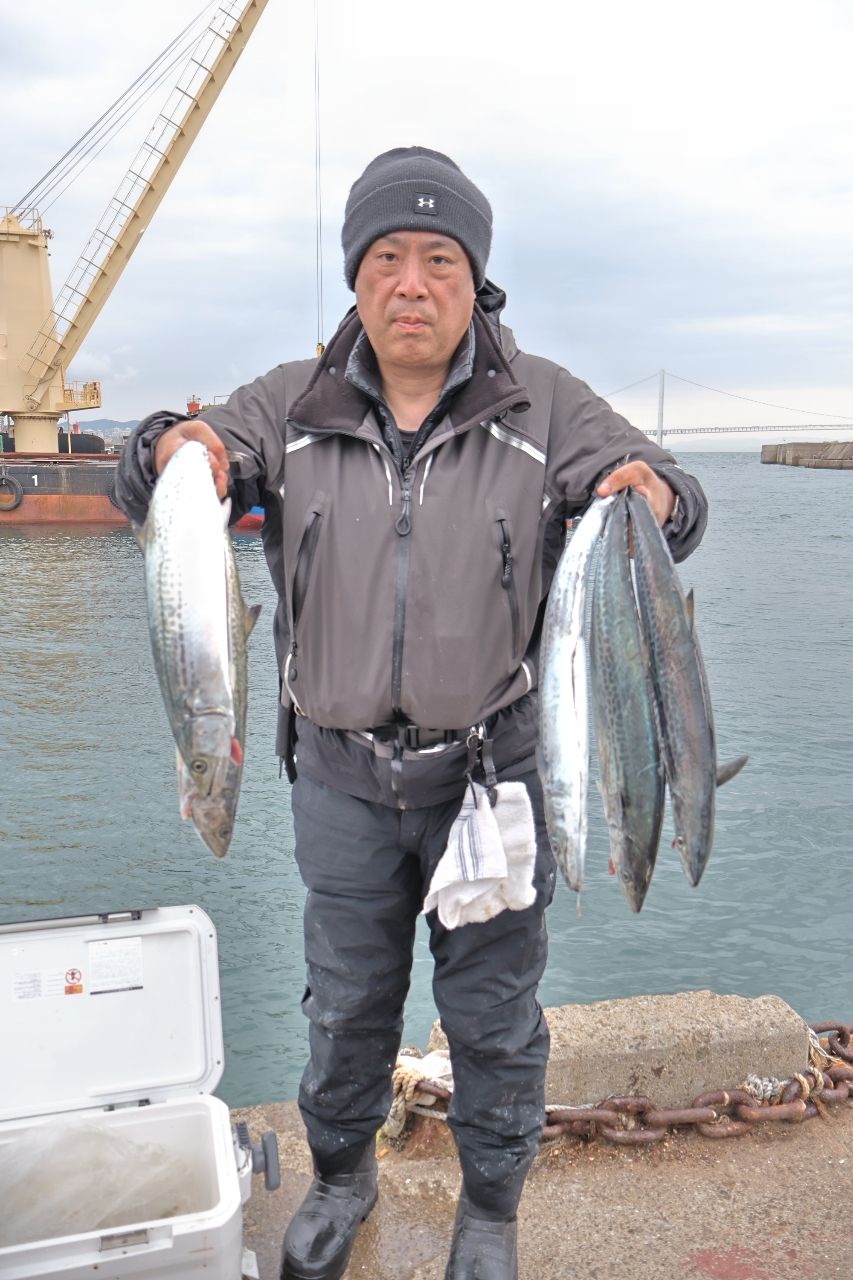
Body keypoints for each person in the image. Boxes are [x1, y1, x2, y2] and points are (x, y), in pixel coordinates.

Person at [116, 146, 708, 1280]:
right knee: (343, 1007)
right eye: (385, 258)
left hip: (494, 776)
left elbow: (672, 504)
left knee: (493, 1015)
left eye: (439, 260)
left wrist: (655, 492)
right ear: (354, 279)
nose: (410, 283)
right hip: (338, 781)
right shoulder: (289, 403)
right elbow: (161, 475)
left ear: (474, 278)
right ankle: (341, 1176)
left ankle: (490, 1209)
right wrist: (167, 446)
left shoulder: (546, 404)